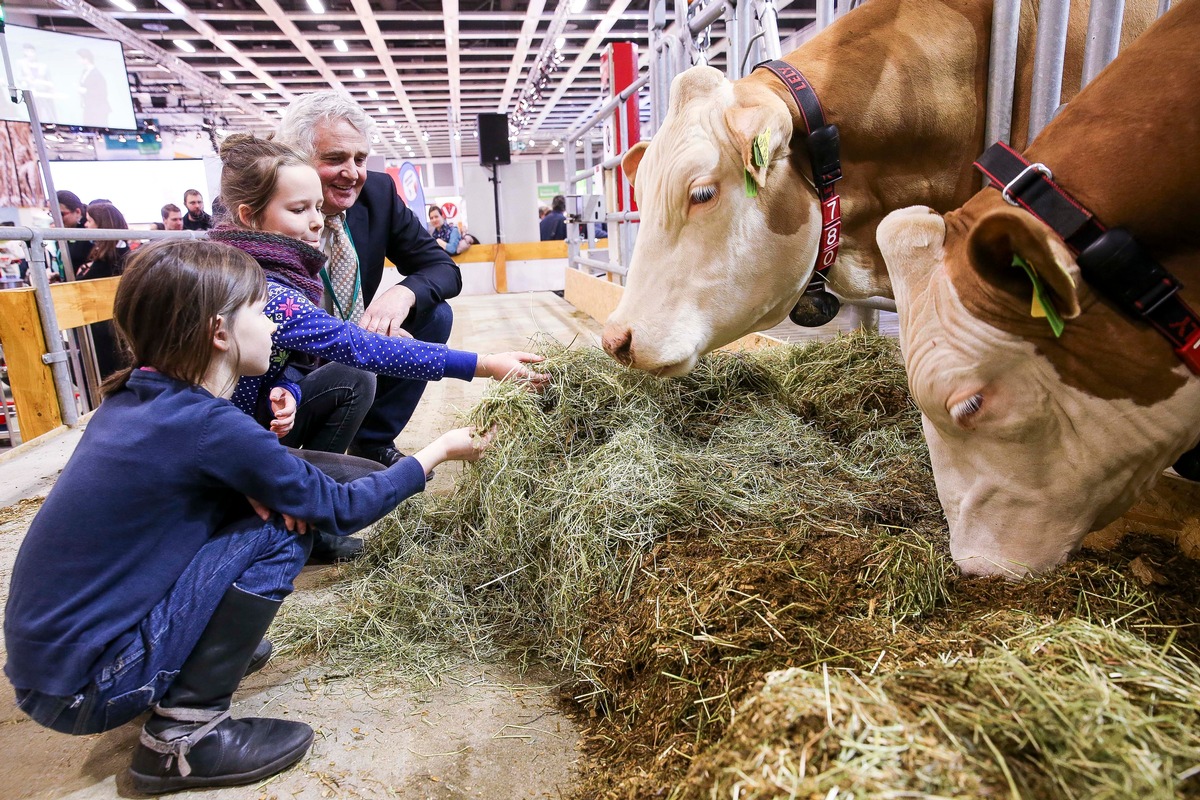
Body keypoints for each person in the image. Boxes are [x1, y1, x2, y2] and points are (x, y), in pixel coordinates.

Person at [3, 238, 491, 793]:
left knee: (262, 502)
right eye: (262, 311)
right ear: (219, 332)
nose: (273, 325)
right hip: (92, 686)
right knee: (280, 528)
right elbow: (341, 509)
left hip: (49, 671)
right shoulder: (213, 426)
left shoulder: (138, 399)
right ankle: (183, 740)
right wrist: (439, 452)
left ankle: (183, 658)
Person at [210, 133, 546, 561]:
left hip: (251, 426)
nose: (317, 222)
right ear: (249, 216)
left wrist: (290, 392)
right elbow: (357, 345)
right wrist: (487, 364)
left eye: (317, 208)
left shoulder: (277, 269)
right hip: (227, 449)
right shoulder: (265, 290)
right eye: (299, 210)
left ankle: (297, 502)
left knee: (354, 381)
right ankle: (266, 519)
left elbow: (292, 360)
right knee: (360, 486)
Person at [277, 91, 470, 467]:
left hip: (353, 350)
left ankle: (372, 440)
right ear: (295, 158)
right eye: (335, 159)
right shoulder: (266, 203)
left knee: (435, 314)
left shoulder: (378, 192)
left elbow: (443, 268)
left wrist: (404, 292)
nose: (352, 173)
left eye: (360, 159)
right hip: (285, 361)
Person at [80, 202, 131, 378]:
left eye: (89, 221)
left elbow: (85, 284)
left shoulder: (111, 259)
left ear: (101, 224)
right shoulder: (118, 253)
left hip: (106, 327)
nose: (86, 226)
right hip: (108, 326)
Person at [55, 190, 92, 274]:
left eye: (61, 214)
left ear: (78, 212)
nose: (56, 218)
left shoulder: (89, 233)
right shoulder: (63, 233)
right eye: (51, 213)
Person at [77, 49, 110, 128]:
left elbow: (102, 93)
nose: (78, 60)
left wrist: (85, 91)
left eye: (79, 58)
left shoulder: (96, 74)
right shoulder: (84, 71)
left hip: (98, 109)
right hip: (88, 107)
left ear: (86, 59)